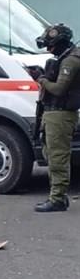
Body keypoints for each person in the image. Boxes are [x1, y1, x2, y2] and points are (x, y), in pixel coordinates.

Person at [34, 23, 80, 212]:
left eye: (51, 45)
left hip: (61, 114)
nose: (48, 49)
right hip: (53, 113)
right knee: (50, 154)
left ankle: (58, 199)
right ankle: (58, 196)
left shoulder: (70, 61)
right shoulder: (64, 57)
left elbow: (60, 89)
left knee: (58, 157)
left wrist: (41, 79)